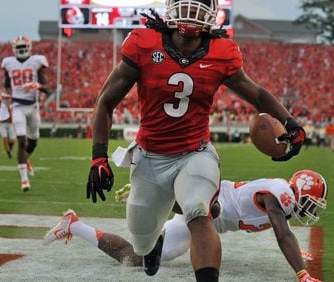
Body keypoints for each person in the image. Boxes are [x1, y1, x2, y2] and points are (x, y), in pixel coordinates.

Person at [86, 1, 305, 281]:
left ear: (212, 13)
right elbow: (105, 102)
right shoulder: (144, 43)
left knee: (198, 212)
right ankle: (151, 245)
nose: (191, 9)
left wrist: (290, 122)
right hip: (149, 156)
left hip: (194, 153)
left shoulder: (221, 51)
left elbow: (256, 94)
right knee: (141, 240)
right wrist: (98, 156)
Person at [47, 170, 326, 282]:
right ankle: (154, 196)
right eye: (313, 202)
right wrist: (301, 273)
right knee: (211, 210)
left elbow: (281, 229)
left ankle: (74, 225)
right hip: (206, 206)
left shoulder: (282, 198)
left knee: (137, 258)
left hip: (209, 221)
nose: (312, 209)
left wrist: (297, 253)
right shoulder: (282, 196)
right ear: (301, 193)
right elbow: (282, 234)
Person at [1, 35, 50, 191]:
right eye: (19, 47)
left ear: (29, 47)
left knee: (33, 141)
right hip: (17, 106)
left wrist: (37, 85)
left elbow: (47, 89)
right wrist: (5, 94)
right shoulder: (8, 64)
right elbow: (7, 85)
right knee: (21, 140)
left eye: (24, 47)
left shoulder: (36, 62)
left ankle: (25, 160)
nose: (22, 50)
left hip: (33, 106)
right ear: (14, 49)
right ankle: (24, 180)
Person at [0, 91, 16, 159]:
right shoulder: (4, 102)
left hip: (10, 123)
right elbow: (1, 97)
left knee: (13, 140)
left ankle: (9, 150)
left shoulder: (14, 104)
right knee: (5, 138)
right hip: (2, 123)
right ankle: (9, 154)